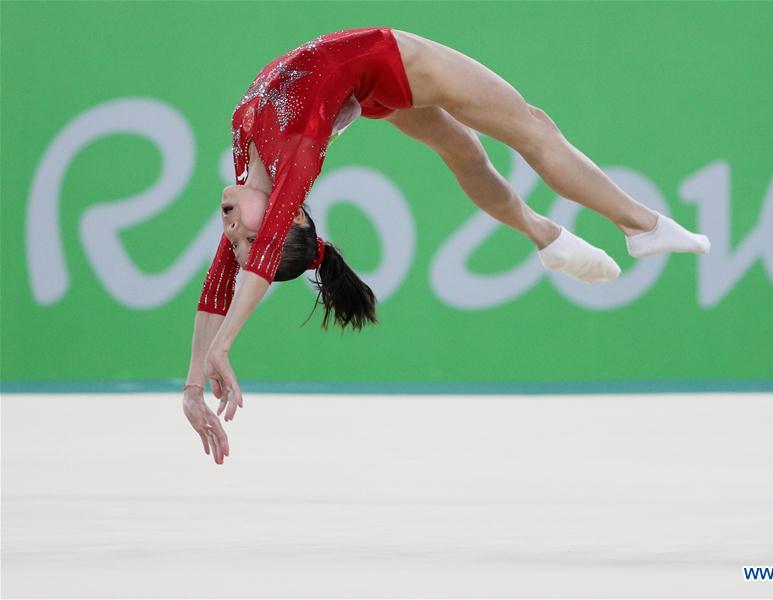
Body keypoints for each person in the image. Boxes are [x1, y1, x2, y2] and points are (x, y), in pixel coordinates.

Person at [182, 27, 710, 464]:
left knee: (466, 154)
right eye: (248, 238)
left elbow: (220, 283)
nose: (231, 232)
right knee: (531, 129)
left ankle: (546, 236)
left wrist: (193, 385)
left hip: (365, 87)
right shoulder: (293, 164)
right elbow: (255, 262)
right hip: (390, 61)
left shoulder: (250, 172)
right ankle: (639, 226)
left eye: (238, 240)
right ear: (292, 215)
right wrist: (219, 349)